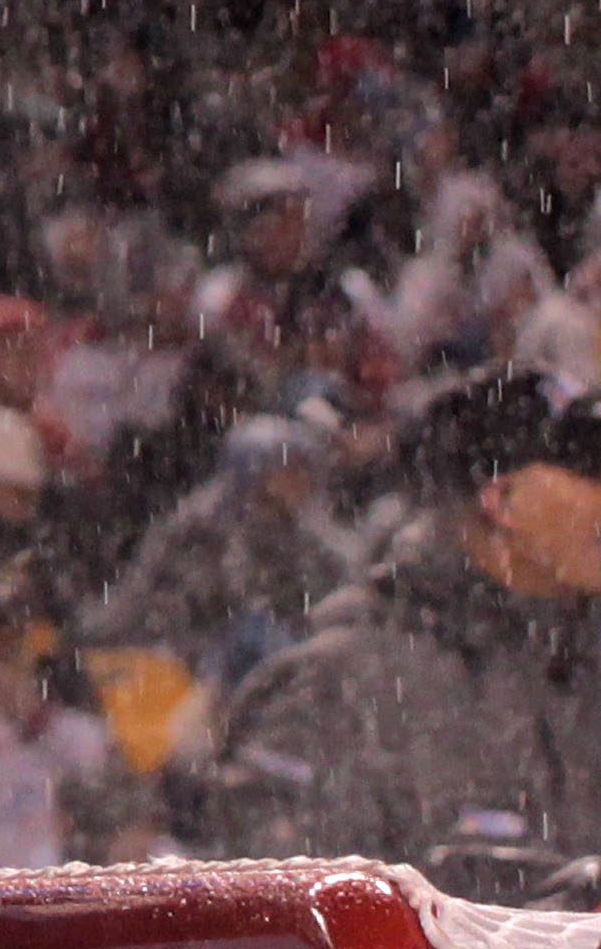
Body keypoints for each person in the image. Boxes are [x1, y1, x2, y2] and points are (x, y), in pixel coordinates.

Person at [187, 372, 601, 890]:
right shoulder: (339, 685)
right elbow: (278, 926)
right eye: (590, 472)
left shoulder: (581, 668)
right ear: (502, 499)